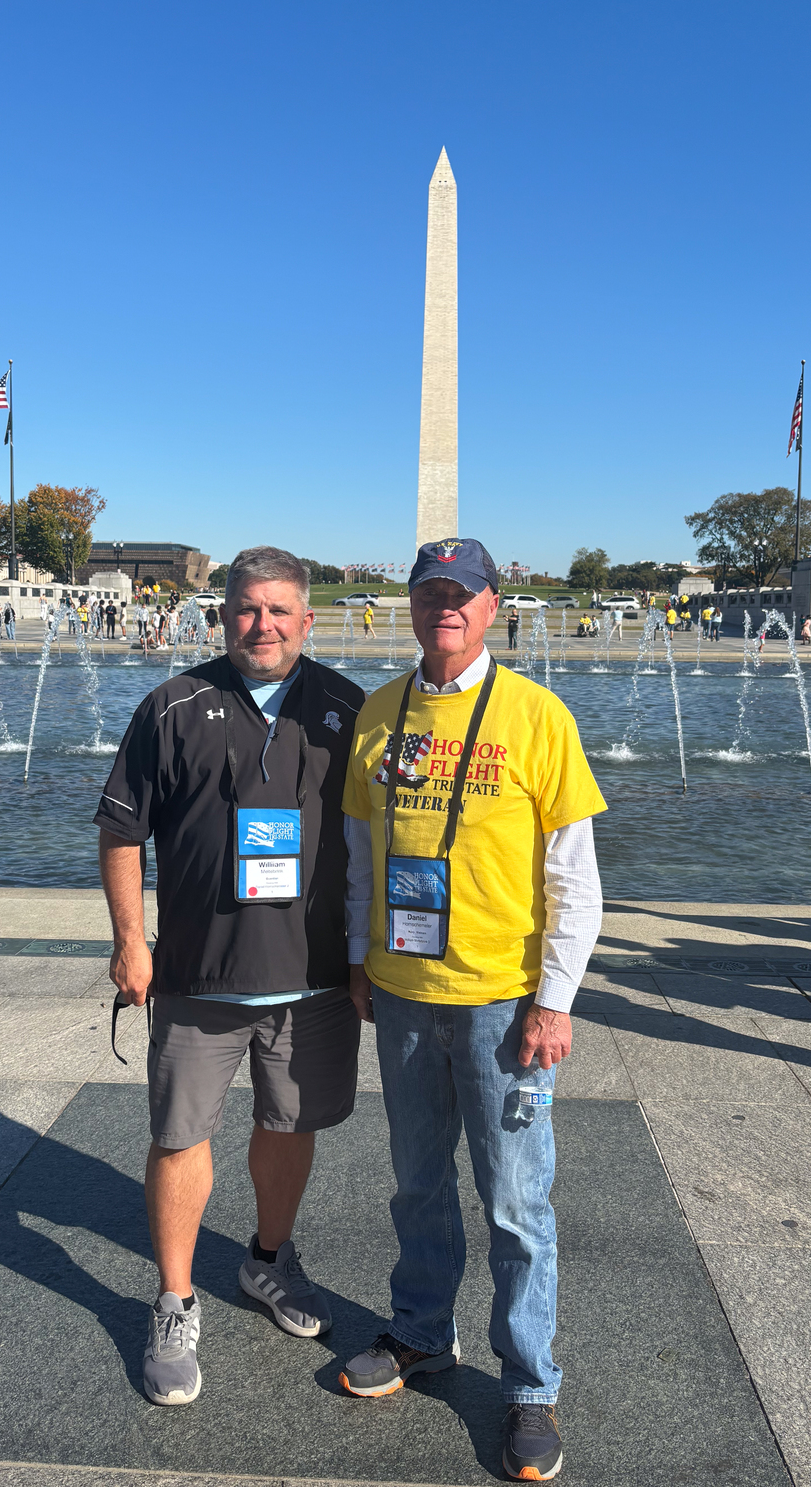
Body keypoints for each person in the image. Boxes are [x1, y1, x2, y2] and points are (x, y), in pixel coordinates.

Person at [338, 537, 606, 1483]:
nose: (444, 606)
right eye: (430, 593)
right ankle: (421, 1332)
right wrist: (357, 959)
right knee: (416, 1182)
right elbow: (361, 858)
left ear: (494, 606)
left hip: (503, 1001)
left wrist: (554, 1002)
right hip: (404, 991)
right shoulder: (379, 713)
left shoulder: (537, 716)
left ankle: (531, 1385)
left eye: (463, 593)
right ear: (410, 607)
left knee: (516, 1201)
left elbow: (575, 881)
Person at [96, 545, 366, 1407]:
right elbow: (121, 832)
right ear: (222, 616)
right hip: (199, 970)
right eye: (248, 609)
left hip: (314, 974)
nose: (264, 625)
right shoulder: (172, 704)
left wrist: (371, 958)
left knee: (291, 1125)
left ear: (308, 619)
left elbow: (379, 841)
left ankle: (266, 1262)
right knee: (180, 1136)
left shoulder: (348, 708)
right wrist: (131, 940)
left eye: (281, 610)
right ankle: (173, 1300)